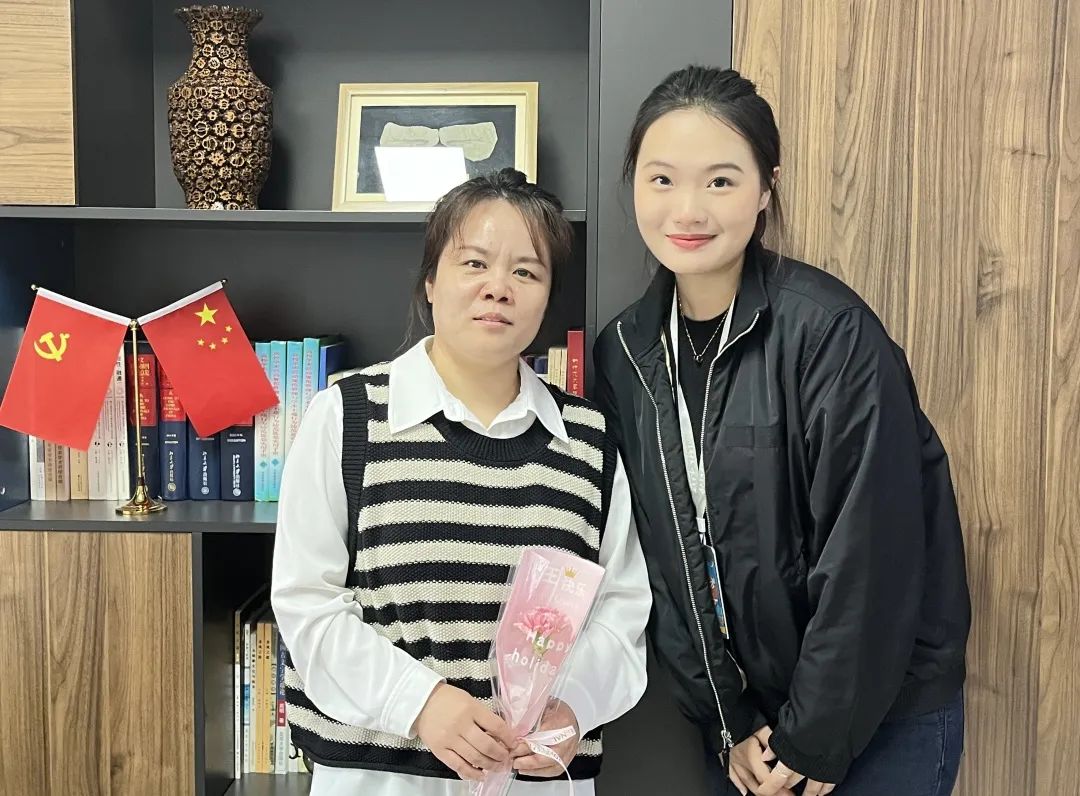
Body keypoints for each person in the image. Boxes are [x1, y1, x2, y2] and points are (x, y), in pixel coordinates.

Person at [593, 65, 971, 796]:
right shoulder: (627, 352)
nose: (688, 209)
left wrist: (814, 738)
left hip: (879, 717)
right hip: (750, 731)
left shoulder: (832, 333)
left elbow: (871, 556)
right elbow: (661, 561)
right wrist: (728, 719)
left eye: (721, 181)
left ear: (766, 188)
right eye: (662, 179)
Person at [271, 168, 649, 796]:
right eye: (474, 263)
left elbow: (623, 608)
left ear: (547, 298)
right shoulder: (346, 417)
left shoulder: (588, 440)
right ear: (431, 280)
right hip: (380, 779)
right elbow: (306, 605)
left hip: (539, 779)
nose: (497, 287)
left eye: (526, 272)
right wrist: (420, 703)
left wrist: (575, 705)